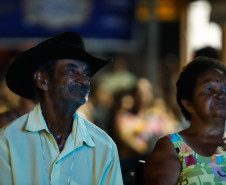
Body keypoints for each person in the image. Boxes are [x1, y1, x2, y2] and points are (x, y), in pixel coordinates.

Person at [0, 32, 123, 185]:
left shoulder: (104, 147)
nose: (83, 80)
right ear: (42, 79)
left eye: (86, 73)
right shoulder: (7, 142)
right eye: (72, 70)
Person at [143, 57, 226, 185]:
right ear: (189, 104)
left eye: (225, 89)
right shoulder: (173, 147)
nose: (220, 95)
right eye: (209, 89)